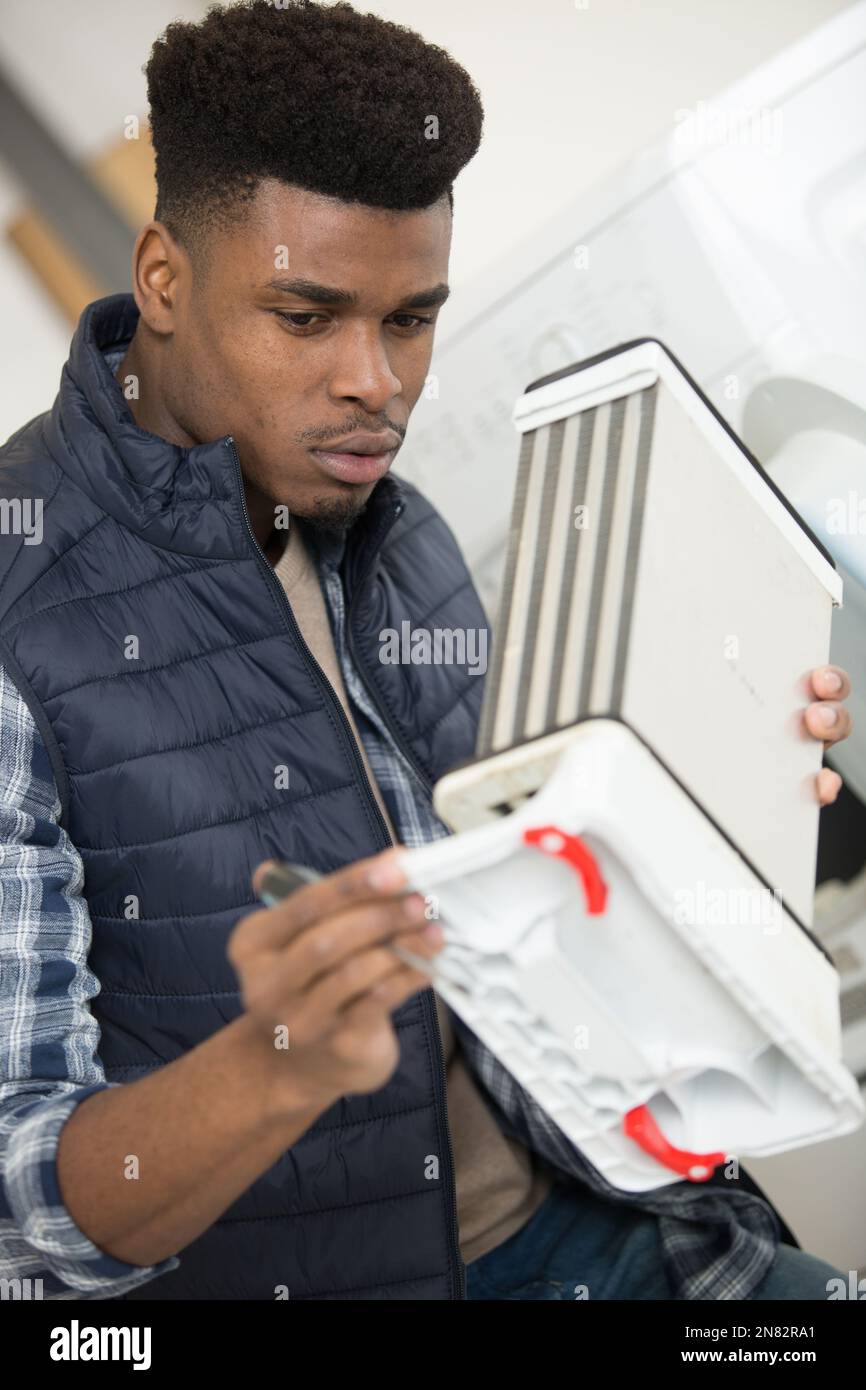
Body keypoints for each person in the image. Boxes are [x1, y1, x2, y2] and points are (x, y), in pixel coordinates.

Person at [0, 0, 853, 1302]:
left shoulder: (393, 530)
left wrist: (743, 804)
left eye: (409, 320)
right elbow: (18, 1209)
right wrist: (271, 1067)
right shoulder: (19, 609)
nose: (376, 381)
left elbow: (552, 909)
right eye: (306, 316)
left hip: (644, 1229)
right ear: (164, 278)